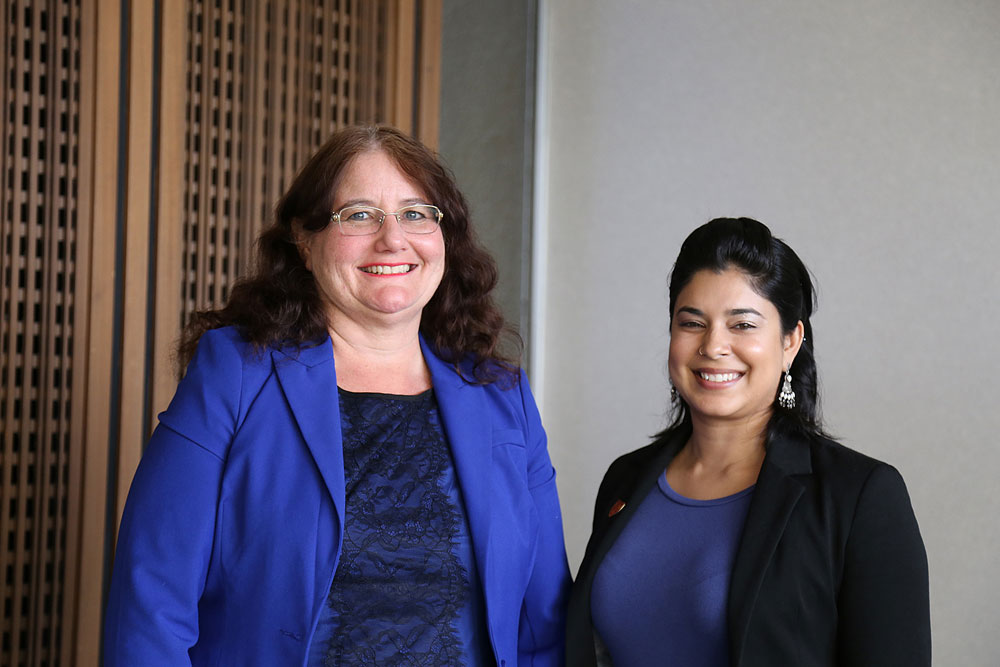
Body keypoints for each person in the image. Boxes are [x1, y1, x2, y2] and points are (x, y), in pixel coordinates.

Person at [104, 125, 570, 665]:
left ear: (446, 237)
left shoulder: (501, 395)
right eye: (359, 214)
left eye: (416, 213)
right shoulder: (235, 374)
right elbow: (151, 603)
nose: (392, 239)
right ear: (305, 241)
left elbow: (545, 624)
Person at [566, 218, 930, 666]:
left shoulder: (860, 495)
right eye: (692, 323)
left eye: (742, 325)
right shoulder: (626, 478)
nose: (714, 345)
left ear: (790, 342)